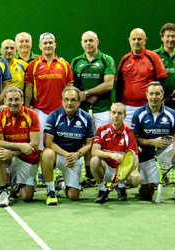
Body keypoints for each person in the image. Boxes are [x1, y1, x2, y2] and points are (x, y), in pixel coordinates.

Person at [131, 82, 175, 201]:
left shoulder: (170, 113)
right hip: (147, 156)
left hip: (166, 154)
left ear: (162, 95)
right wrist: (152, 142)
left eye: (157, 94)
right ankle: (145, 183)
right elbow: (135, 139)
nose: (154, 97)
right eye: (151, 94)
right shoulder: (139, 114)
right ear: (146, 95)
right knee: (147, 194)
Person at [70, 31, 116, 186]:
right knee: (87, 142)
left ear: (97, 42)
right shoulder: (76, 61)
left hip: (102, 110)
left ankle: (108, 174)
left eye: (91, 40)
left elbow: (109, 84)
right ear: (81, 43)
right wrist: (81, 96)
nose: (88, 43)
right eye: (85, 41)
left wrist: (89, 92)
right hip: (82, 110)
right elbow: (72, 86)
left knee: (105, 142)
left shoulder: (106, 60)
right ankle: (90, 176)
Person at [41, 87, 94, 205]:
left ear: (79, 102)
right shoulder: (53, 116)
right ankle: (51, 191)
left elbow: (89, 144)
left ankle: (61, 183)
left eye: (73, 100)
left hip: (75, 157)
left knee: (73, 196)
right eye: (66, 100)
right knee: (47, 153)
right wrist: (66, 155)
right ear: (62, 101)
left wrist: (77, 155)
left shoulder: (87, 118)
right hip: (58, 155)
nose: (69, 103)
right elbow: (48, 143)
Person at [0, 87, 40, 206]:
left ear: (22, 100)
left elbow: (34, 144)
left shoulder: (32, 115)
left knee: (27, 197)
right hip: (11, 155)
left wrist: (13, 152)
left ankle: (17, 184)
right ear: (5, 101)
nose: (13, 103)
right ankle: (3, 192)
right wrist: (18, 145)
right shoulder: (0, 116)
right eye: (10, 100)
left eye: (17, 99)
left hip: (27, 157)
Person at [24, 32, 74, 150]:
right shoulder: (33, 65)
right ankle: (42, 169)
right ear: (40, 46)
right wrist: (27, 109)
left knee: (61, 145)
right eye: (45, 43)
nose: (48, 45)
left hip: (61, 112)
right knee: (40, 146)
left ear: (55, 45)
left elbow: (70, 88)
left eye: (50, 43)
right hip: (40, 111)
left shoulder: (64, 64)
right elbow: (29, 90)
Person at [90, 103, 141, 203]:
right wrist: (111, 155)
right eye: (113, 113)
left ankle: (121, 186)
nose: (116, 116)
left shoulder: (129, 134)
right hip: (105, 168)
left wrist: (121, 174)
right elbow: (94, 151)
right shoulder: (102, 130)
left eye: (119, 113)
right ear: (110, 114)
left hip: (122, 169)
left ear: (125, 116)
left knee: (137, 178)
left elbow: (135, 161)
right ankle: (102, 189)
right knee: (94, 160)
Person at [115, 28, 168, 125]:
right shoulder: (124, 59)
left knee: (148, 138)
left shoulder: (153, 57)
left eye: (139, 39)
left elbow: (162, 80)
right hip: (127, 107)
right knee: (129, 139)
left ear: (145, 41)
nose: (136, 42)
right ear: (129, 40)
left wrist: (161, 99)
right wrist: (118, 104)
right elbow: (119, 84)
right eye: (134, 39)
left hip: (148, 106)